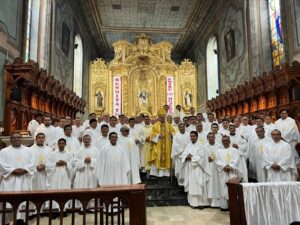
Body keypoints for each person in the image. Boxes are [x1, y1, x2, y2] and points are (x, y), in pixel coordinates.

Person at [0, 132, 35, 225]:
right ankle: (6, 221)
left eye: (18, 138)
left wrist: (25, 170)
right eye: (14, 138)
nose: (16, 139)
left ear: (22, 139)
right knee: (7, 202)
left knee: (23, 201)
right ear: (10, 140)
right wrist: (13, 170)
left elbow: (32, 163)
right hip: (9, 180)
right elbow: (1, 164)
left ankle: (21, 221)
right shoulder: (3, 151)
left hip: (24, 179)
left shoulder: (29, 151)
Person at [181, 131, 210, 209]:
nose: (192, 137)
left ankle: (201, 203)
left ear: (197, 137)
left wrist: (192, 158)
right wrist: (186, 157)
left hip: (197, 168)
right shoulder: (188, 146)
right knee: (191, 185)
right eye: (191, 136)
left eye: (194, 136)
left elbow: (202, 158)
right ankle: (192, 203)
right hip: (190, 168)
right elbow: (183, 155)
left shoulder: (201, 146)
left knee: (199, 184)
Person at [215, 135, 240, 211]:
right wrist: (224, 166)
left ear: (230, 141)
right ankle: (224, 206)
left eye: (227, 140)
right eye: (224, 140)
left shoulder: (234, 150)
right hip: (223, 172)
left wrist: (230, 166)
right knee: (223, 189)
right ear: (222, 141)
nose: (225, 142)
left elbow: (236, 160)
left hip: (232, 172)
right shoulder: (219, 151)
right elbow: (217, 161)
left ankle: (232, 206)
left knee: (232, 189)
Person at [49, 138, 73, 215]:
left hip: (65, 175)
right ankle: (55, 210)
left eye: (63, 143)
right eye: (60, 143)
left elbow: (72, 165)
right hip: (55, 175)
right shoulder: (53, 154)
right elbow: (49, 165)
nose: (61, 145)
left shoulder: (69, 154)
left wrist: (66, 163)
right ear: (57, 144)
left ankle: (64, 209)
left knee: (64, 191)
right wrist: (56, 163)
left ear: (65, 145)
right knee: (55, 191)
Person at [149, 108, 175, 177]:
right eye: (161, 117)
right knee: (158, 157)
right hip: (158, 145)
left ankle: (166, 173)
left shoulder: (169, 125)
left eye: (163, 117)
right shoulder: (155, 126)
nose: (162, 118)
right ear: (159, 118)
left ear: (165, 117)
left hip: (167, 146)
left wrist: (171, 135)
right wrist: (157, 136)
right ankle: (158, 173)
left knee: (166, 158)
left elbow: (174, 133)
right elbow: (151, 135)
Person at [73, 135, 98, 208]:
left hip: (92, 172)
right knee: (81, 188)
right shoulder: (79, 150)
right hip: (82, 172)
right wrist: (83, 161)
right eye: (85, 139)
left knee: (92, 188)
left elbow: (99, 160)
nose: (87, 140)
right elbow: (75, 161)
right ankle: (81, 206)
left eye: (88, 139)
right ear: (83, 140)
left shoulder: (95, 150)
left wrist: (91, 160)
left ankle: (91, 206)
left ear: (90, 140)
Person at [204, 132, 221, 207]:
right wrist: (207, 159)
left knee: (217, 183)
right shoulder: (205, 146)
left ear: (215, 137)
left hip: (217, 167)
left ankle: (218, 201)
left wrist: (215, 158)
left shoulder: (219, 146)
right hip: (209, 167)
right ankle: (210, 201)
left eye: (212, 137)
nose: (211, 138)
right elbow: (202, 157)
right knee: (210, 183)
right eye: (209, 137)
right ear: (207, 138)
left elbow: (221, 155)